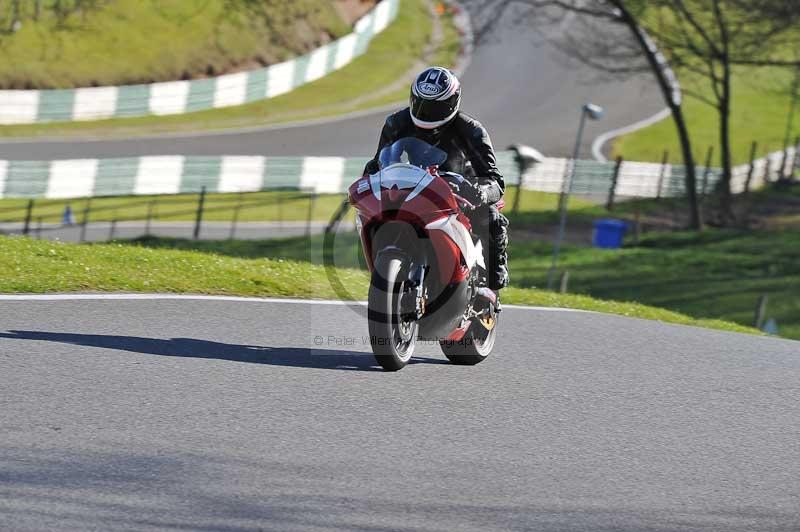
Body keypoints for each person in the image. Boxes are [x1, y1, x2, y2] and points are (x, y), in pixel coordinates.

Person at [363, 66, 509, 292]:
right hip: (413, 187)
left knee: (489, 216)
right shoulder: (396, 123)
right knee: (373, 212)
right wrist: (367, 183)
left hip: (460, 193)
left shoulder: (471, 131)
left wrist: (480, 192)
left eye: (435, 107)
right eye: (421, 103)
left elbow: (495, 181)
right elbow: (379, 163)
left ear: (452, 103)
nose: (425, 112)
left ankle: (493, 277)